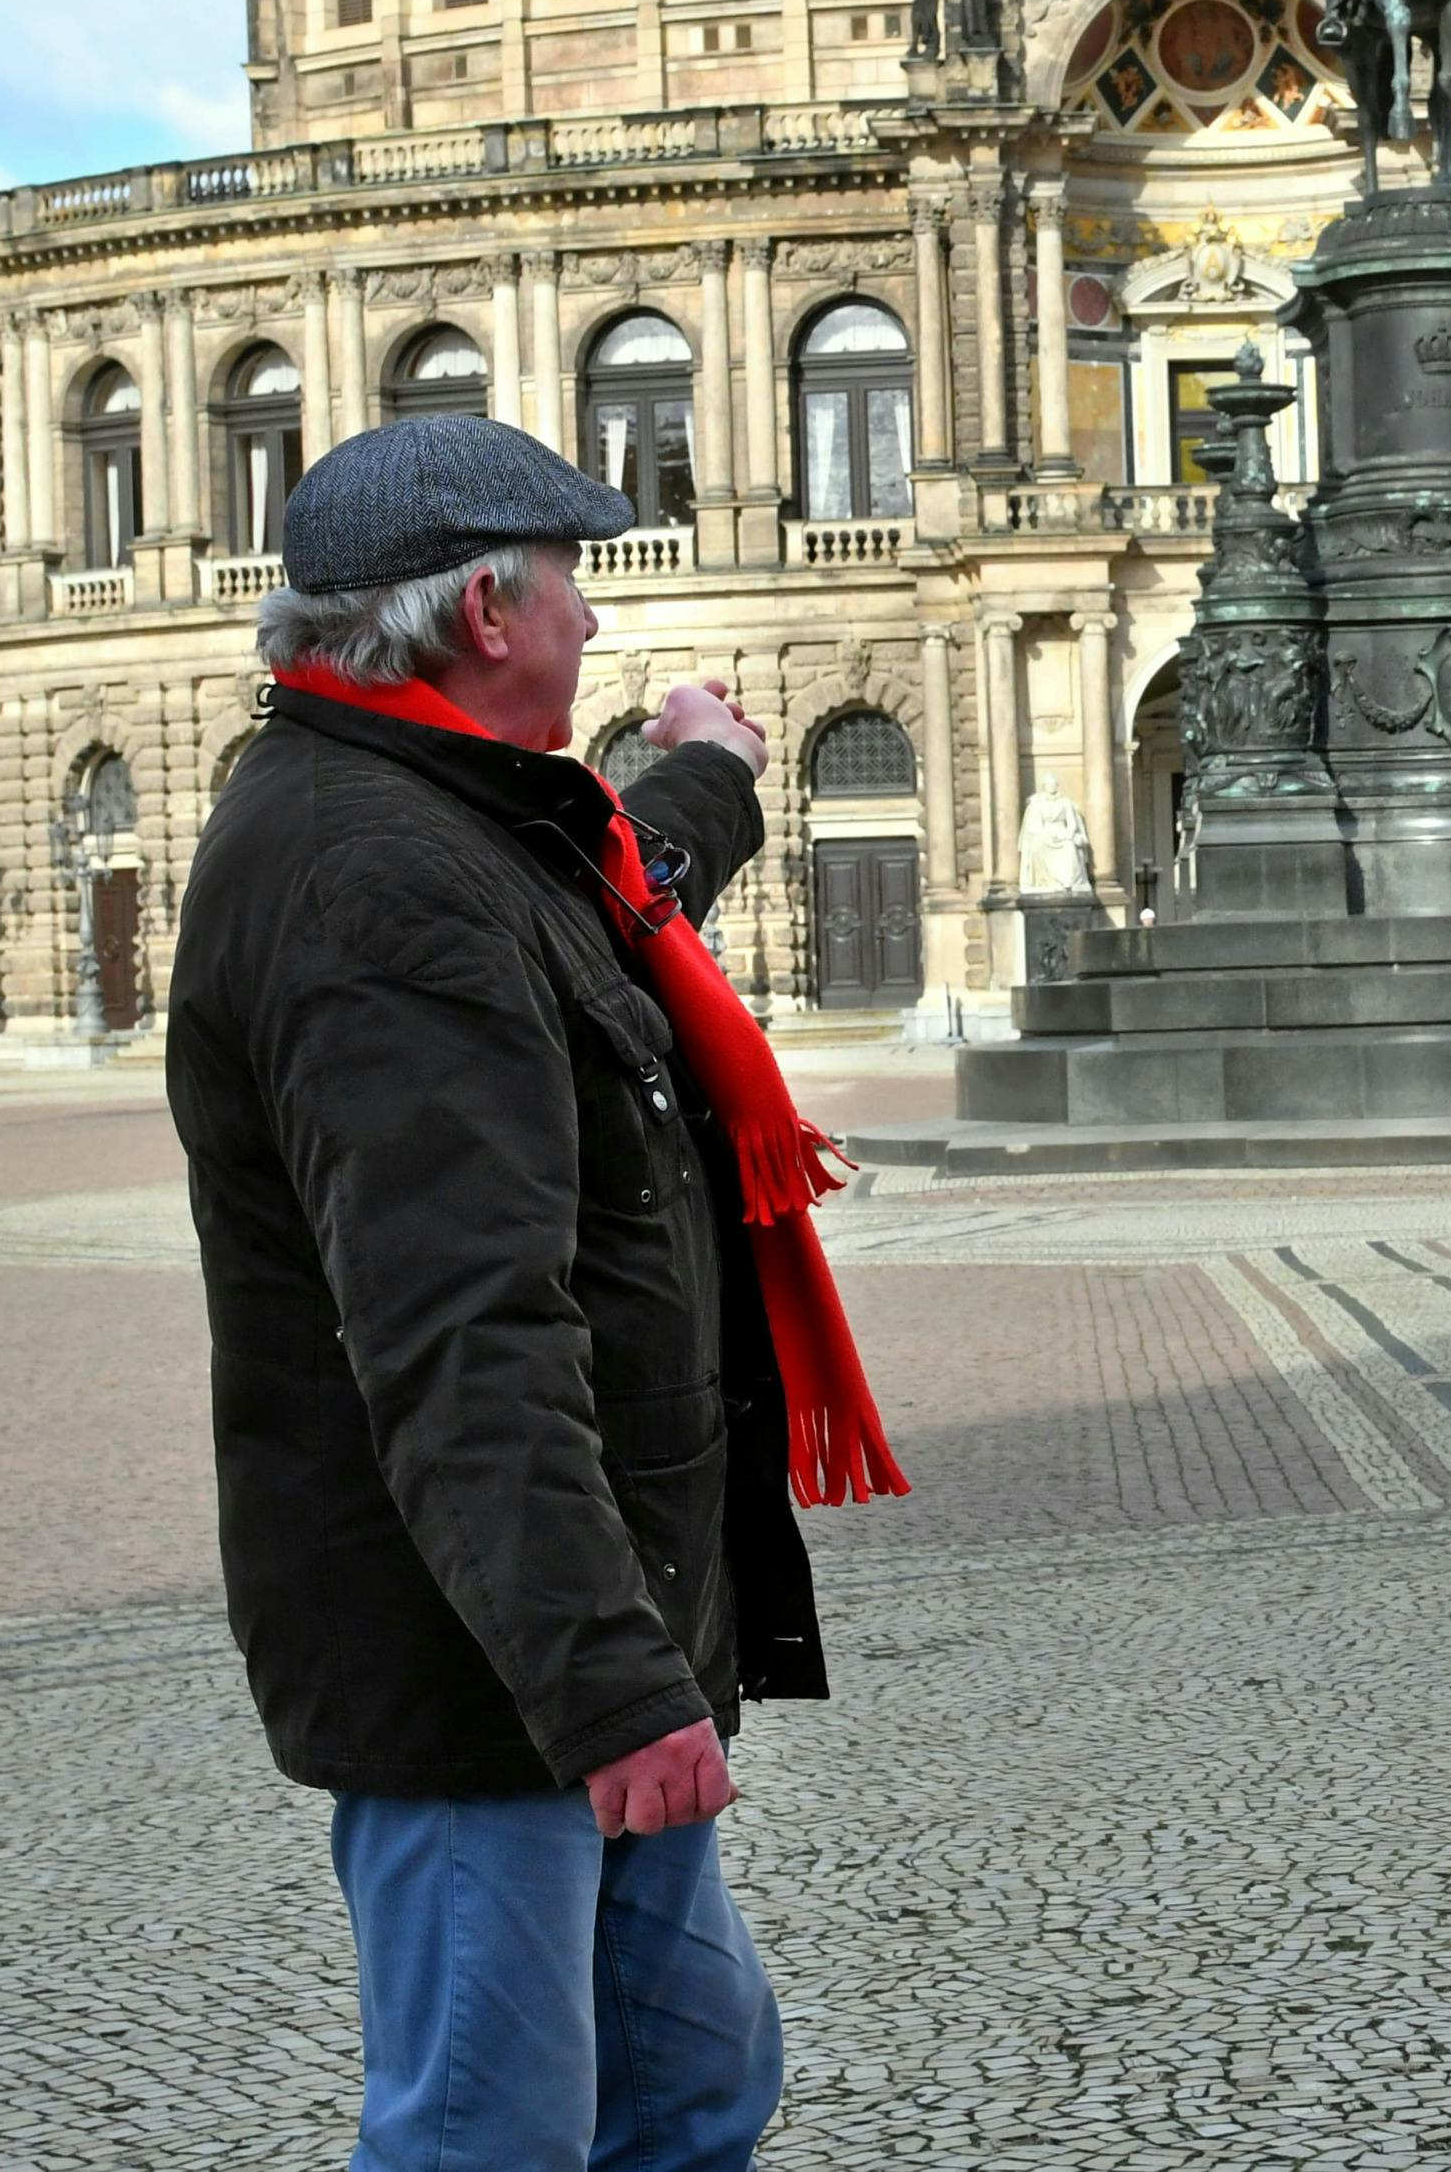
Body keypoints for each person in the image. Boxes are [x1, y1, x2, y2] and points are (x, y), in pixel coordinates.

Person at [168, 415, 907, 2172]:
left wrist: (702, 772)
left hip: (577, 1618)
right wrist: (606, 1687)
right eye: (574, 577)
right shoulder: (378, 881)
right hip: (490, 1670)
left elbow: (589, 913)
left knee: (688, 2089)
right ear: (490, 609)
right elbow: (457, 1339)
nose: (596, 615)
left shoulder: (435, 819)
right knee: (489, 2134)